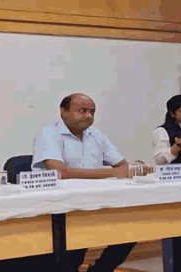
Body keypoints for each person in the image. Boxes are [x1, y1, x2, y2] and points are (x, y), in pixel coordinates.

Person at [32, 93, 136, 272]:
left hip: (93, 201)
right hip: (58, 207)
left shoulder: (96, 134)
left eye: (92, 112)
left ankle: (101, 269)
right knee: (69, 258)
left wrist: (131, 168)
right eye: (82, 111)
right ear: (63, 111)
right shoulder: (48, 133)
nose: (88, 116)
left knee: (132, 228)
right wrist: (112, 173)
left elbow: (122, 166)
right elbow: (59, 172)